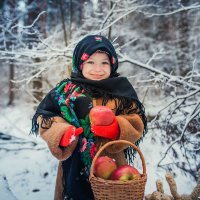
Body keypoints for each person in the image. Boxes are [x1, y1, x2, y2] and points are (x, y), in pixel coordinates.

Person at [31, 35, 147, 200]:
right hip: (72, 167)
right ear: (80, 63)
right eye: (90, 62)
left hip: (112, 167)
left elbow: (136, 121)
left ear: (112, 64)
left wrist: (117, 127)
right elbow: (46, 118)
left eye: (104, 63)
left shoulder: (121, 92)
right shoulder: (66, 91)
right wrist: (61, 133)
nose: (98, 69)